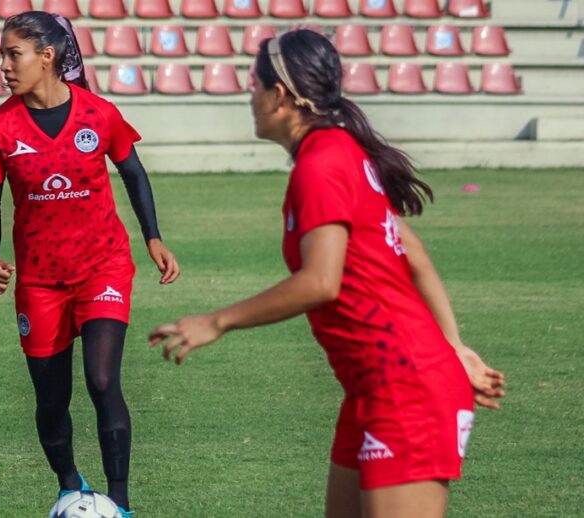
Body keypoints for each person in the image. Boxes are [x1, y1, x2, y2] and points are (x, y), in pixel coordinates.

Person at [149, 30, 505, 518]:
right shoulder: (342, 151)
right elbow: (414, 252)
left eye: (254, 85)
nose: (249, 97)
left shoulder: (322, 164)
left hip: (407, 390)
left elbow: (320, 281)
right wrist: (453, 345)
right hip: (374, 390)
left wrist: (216, 321)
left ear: (279, 96)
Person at [0, 12, 180, 516]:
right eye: (1, 53)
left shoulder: (99, 113)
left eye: (12, 53)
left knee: (103, 380)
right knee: (50, 397)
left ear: (47, 56)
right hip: (40, 282)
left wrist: (152, 238)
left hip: (103, 267)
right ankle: (69, 485)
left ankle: (120, 504)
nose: (2, 65)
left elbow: (133, 172)